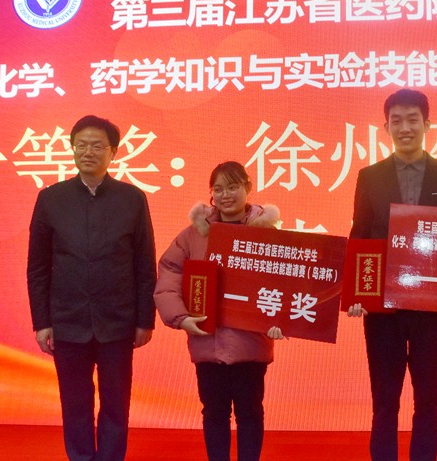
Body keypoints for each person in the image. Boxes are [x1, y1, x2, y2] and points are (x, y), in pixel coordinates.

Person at [347, 89, 437, 461]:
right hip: (382, 308)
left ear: (427, 124)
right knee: (384, 400)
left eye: (412, 119)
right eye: (396, 121)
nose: (405, 128)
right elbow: (360, 234)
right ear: (385, 127)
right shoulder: (370, 176)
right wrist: (356, 293)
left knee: (428, 398)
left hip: (432, 309)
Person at [27, 115, 157, 461]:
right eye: (81, 144)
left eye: (97, 145)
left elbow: (145, 264)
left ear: (113, 152)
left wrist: (145, 319)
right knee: (74, 404)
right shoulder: (50, 199)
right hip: (67, 321)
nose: (88, 151)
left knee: (116, 403)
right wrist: (42, 322)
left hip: (117, 322)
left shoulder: (132, 198)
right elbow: (37, 268)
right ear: (72, 149)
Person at [154, 161, 283, 461]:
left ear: (248, 188)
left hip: (251, 342)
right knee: (214, 413)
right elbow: (170, 273)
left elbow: (284, 284)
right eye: (218, 189)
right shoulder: (192, 235)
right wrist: (181, 318)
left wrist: (281, 319)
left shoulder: (269, 235)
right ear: (211, 193)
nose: (226, 195)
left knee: (250, 413)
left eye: (233, 187)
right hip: (207, 341)